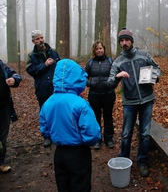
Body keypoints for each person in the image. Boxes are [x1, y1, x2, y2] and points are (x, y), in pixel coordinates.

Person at [39, 58, 101, 192]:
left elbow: (44, 129)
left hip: (59, 153)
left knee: (63, 186)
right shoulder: (80, 104)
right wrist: (83, 140)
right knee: (81, 185)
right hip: (78, 153)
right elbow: (92, 134)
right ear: (77, 78)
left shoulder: (48, 102)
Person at [107, 28, 161, 177]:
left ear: (131, 41)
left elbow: (157, 68)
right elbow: (110, 83)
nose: (124, 43)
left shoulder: (144, 55)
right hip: (129, 102)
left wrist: (156, 77)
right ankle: (124, 160)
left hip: (147, 99)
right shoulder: (118, 61)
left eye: (126, 40)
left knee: (144, 134)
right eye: (121, 41)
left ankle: (142, 161)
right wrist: (117, 76)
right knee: (126, 133)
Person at [26, 30, 60, 147]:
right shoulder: (32, 55)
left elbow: (60, 67)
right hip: (42, 88)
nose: (40, 40)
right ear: (33, 41)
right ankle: (46, 136)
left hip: (55, 88)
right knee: (44, 112)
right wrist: (44, 65)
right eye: (37, 39)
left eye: (41, 38)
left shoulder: (53, 52)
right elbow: (31, 71)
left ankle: (57, 134)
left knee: (57, 111)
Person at [85, 40, 115, 150]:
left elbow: (116, 76)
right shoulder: (90, 63)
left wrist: (111, 84)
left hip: (108, 94)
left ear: (104, 49)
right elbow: (84, 77)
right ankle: (97, 139)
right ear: (94, 50)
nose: (99, 50)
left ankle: (109, 139)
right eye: (97, 49)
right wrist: (90, 83)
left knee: (108, 117)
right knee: (95, 117)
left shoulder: (110, 61)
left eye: (100, 48)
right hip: (94, 94)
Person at [0, 60, 22, 173]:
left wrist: (14, 79)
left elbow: (14, 74)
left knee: (2, 136)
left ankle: (1, 162)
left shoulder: (0, 64)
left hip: (4, 107)